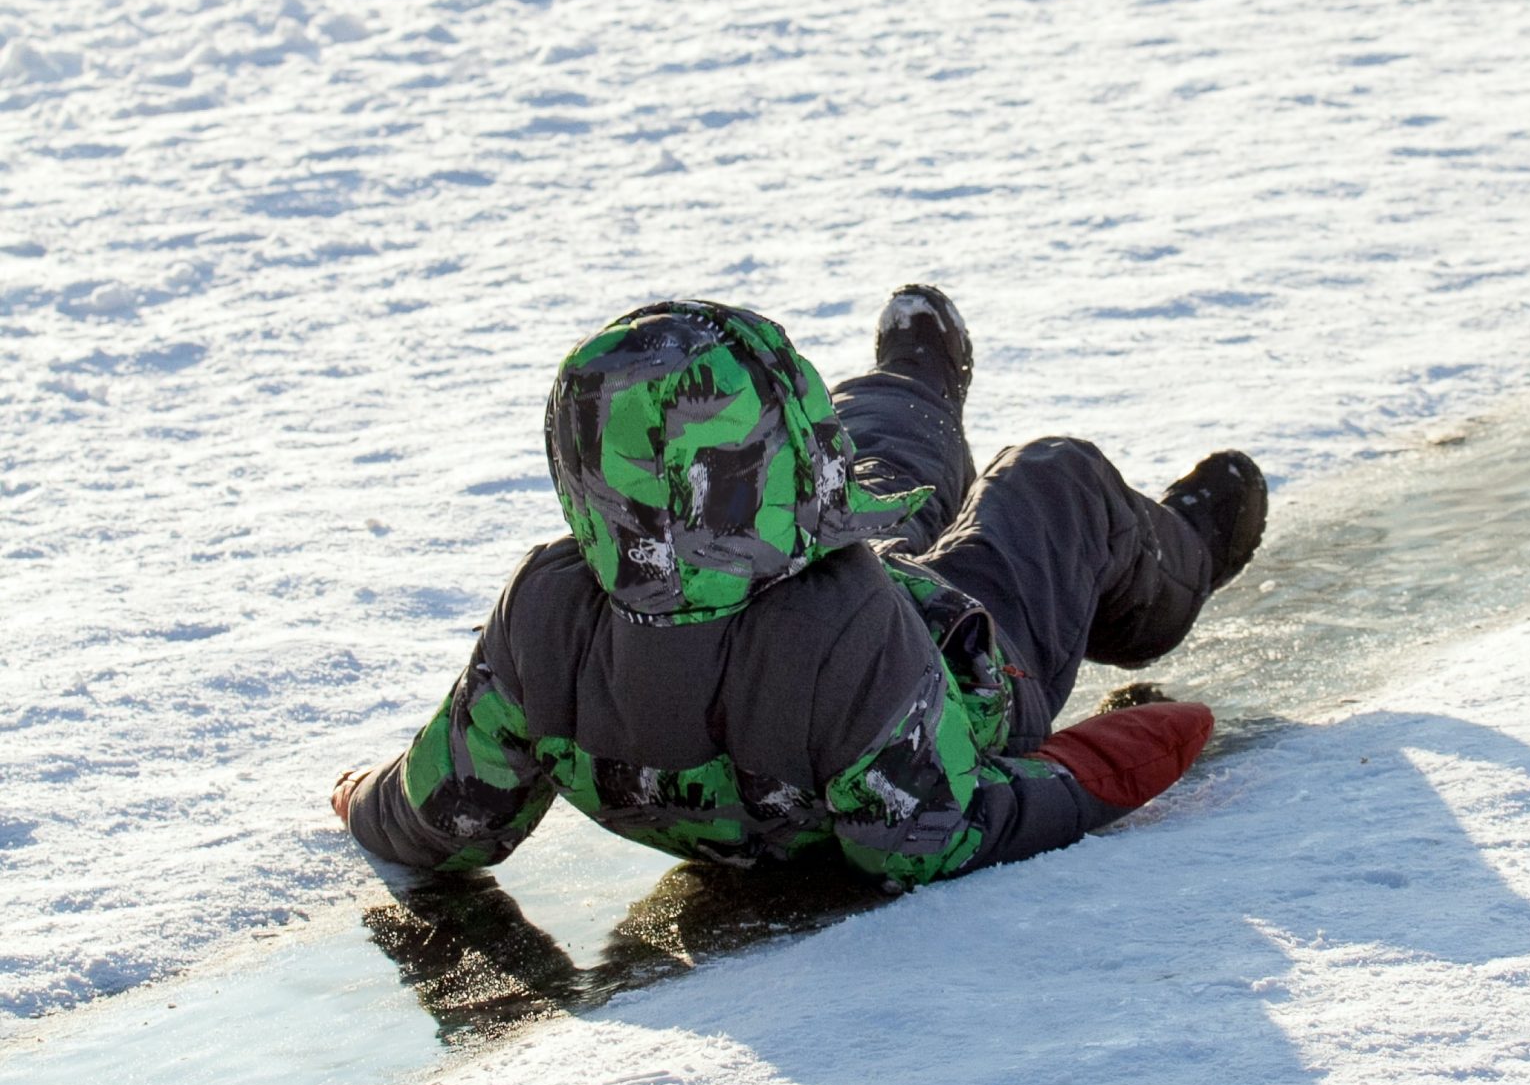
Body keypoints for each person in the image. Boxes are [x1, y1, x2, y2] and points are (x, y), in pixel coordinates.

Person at [332, 288, 1267, 893]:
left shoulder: (547, 616)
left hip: (829, 613)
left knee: (875, 479)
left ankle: (909, 385)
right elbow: (933, 832)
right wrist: (1101, 764)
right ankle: (1180, 550)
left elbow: (443, 810)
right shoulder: (844, 632)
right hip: (963, 672)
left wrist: (363, 799)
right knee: (1051, 486)